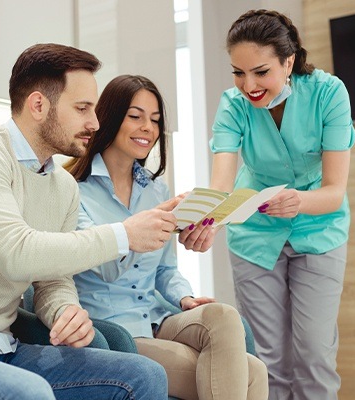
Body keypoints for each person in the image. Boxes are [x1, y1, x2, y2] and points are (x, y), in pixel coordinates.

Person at [0, 43, 181, 400]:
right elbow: (17, 253)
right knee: (30, 392)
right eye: (83, 108)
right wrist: (124, 235)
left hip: (4, 344)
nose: (95, 123)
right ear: (38, 105)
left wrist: (65, 311)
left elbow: (52, 278)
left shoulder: (62, 186)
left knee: (144, 376)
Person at [66, 74, 269, 400]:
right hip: (115, 330)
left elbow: (165, 270)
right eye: (135, 116)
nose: (147, 127)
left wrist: (185, 298)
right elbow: (105, 267)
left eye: (155, 120)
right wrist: (144, 225)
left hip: (158, 319)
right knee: (251, 373)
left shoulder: (155, 188)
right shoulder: (73, 191)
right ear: (109, 118)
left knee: (225, 317)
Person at [209, 9, 355, 400]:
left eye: (261, 72)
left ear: (288, 61)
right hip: (255, 235)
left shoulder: (329, 94)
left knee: (314, 356)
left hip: (318, 229)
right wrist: (205, 219)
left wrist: (298, 201)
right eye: (238, 73)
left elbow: (334, 192)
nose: (249, 85)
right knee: (267, 361)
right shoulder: (233, 105)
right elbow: (221, 186)